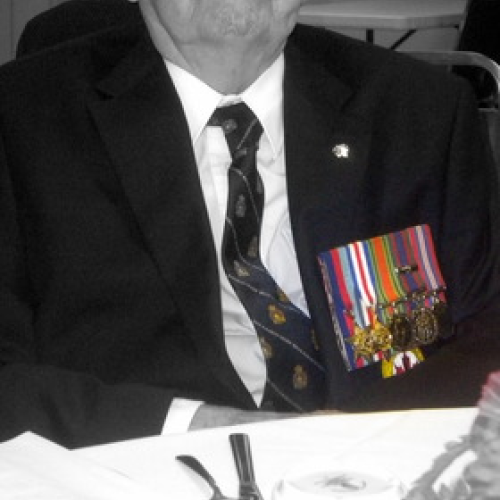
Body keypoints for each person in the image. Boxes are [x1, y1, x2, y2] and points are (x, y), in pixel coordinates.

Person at [0, 0, 498, 448]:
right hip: (134, 469)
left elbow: (487, 335)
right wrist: (198, 427)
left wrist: (354, 435)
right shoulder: (23, 120)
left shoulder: (418, 111)